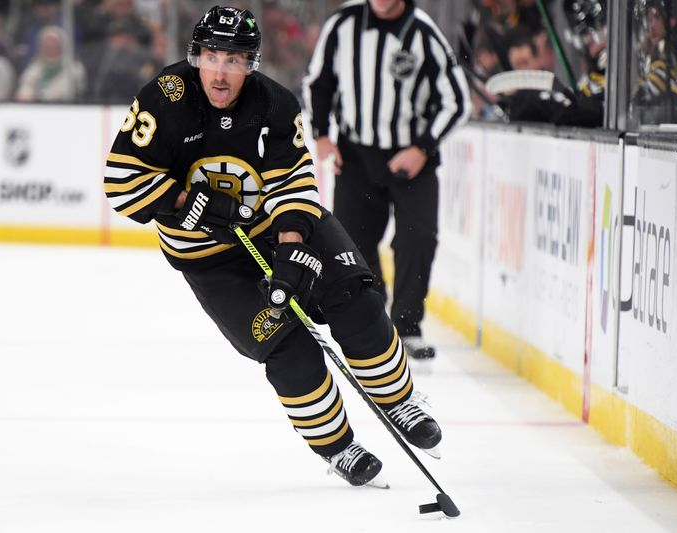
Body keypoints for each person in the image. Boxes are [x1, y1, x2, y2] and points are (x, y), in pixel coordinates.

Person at [104, 5, 443, 487]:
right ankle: (340, 447)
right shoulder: (166, 97)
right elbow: (121, 179)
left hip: (277, 229)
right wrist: (193, 201)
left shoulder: (276, 105)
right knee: (286, 347)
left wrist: (289, 251)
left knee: (355, 296)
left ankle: (398, 400)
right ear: (196, 55)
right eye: (212, 56)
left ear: (252, 64)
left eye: (235, 60)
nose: (221, 72)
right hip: (210, 260)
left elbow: (296, 185)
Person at [302, 0, 471, 360]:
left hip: (412, 158)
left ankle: (407, 327)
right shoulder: (342, 26)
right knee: (352, 244)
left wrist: (422, 148)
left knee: (418, 239)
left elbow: (457, 100)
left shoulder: (424, 33)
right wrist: (321, 135)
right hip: (356, 157)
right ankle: (376, 326)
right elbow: (318, 82)